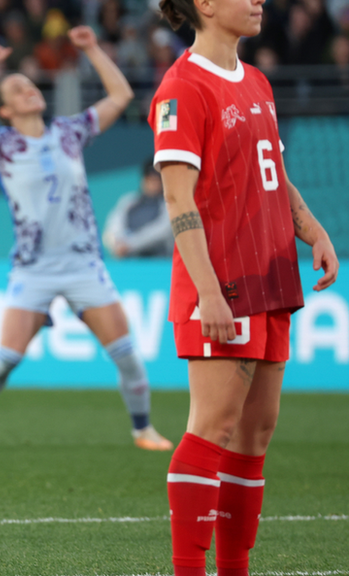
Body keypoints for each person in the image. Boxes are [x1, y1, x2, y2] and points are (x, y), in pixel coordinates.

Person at [151, 0, 339, 573]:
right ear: (204, 5)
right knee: (213, 427)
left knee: (255, 435)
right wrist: (206, 290)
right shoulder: (181, 88)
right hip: (223, 281)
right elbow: (178, 198)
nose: (258, 0)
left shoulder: (256, 80)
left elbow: (272, 173)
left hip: (272, 274)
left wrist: (312, 230)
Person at [0, 27, 174, 452]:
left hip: (84, 263)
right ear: (6, 110)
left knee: (127, 355)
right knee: (5, 360)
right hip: (34, 268)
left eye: (29, 84)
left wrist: (92, 49)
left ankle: (143, 430)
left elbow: (120, 97)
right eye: (17, 89)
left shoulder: (69, 131)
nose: (28, 89)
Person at [102, 158, 174, 258]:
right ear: (143, 179)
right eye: (150, 179)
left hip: (159, 263)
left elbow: (163, 230)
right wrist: (118, 243)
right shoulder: (129, 201)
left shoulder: (168, 203)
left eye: (156, 179)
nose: (153, 183)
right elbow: (112, 228)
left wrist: (130, 244)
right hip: (130, 263)